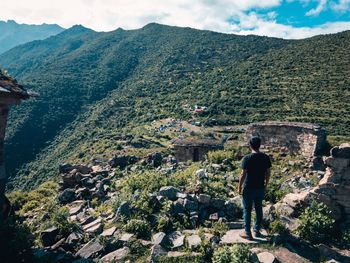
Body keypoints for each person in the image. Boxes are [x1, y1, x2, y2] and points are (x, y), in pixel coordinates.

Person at [238, 136, 271, 239]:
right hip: (260, 187)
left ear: (250, 145)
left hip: (248, 188)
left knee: (247, 209)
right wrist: (266, 184)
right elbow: (268, 172)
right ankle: (256, 230)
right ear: (259, 145)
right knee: (258, 208)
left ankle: (247, 232)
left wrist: (239, 187)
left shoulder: (247, 158)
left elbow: (243, 174)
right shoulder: (265, 157)